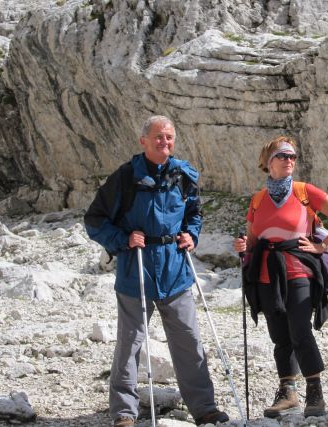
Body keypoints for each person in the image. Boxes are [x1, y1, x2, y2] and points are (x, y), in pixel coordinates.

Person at [84, 116, 229, 427]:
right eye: (159, 137)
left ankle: (204, 408)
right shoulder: (124, 178)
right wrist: (122, 239)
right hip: (136, 268)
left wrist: (191, 234)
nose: (165, 142)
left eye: (170, 137)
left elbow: (194, 212)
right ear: (144, 141)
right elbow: (94, 220)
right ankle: (124, 412)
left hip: (175, 268)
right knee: (131, 341)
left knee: (189, 339)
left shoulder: (183, 175)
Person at [233, 136, 328, 419]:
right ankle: (287, 391)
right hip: (266, 274)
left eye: (293, 156)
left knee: (299, 330)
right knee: (279, 335)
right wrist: (242, 247)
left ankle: (315, 392)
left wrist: (322, 246)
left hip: (299, 271)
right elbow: (252, 240)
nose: (289, 160)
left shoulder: (304, 191)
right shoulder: (258, 199)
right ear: (268, 162)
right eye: (283, 156)